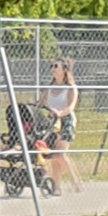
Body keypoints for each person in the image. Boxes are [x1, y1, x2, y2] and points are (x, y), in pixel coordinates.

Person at [40, 58, 81, 191]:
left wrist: (60, 112)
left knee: (61, 153)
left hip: (66, 121)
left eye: (56, 66)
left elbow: (70, 107)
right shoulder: (49, 88)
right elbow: (41, 103)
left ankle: (76, 183)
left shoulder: (70, 88)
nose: (52, 68)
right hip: (52, 122)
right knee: (54, 156)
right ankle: (57, 187)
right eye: (51, 66)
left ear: (64, 69)